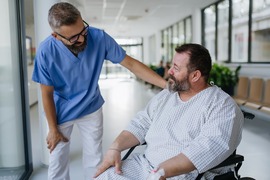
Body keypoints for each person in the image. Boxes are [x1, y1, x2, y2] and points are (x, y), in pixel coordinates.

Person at [32, 2, 166, 180]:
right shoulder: (45, 51)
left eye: (83, 30)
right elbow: (46, 93)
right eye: (73, 37)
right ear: (56, 36)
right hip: (61, 111)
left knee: (94, 159)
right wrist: (52, 128)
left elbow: (131, 64)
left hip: (91, 107)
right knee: (57, 162)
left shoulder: (98, 37)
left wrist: (167, 85)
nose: (81, 39)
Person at [94, 43, 244, 180]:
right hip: (146, 166)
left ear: (195, 75)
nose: (169, 71)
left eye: (176, 68)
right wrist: (115, 147)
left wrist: (161, 171)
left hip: (184, 174)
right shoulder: (167, 95)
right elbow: (141, 123)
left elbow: (206, 149)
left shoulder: (222, 106)